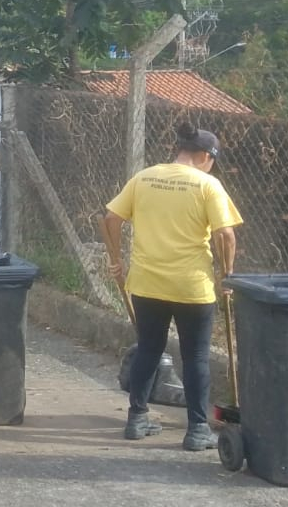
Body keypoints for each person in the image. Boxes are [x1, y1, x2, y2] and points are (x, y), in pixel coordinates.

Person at [102, 123, 243, 451]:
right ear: (205, 156)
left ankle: (137, 419)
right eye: (213, 161)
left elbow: (110, 218)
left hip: (147, 283)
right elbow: (225, 234)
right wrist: (227, 275)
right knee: (196, 356)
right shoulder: (207, 185)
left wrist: (115, 259)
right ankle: (197, 430)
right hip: (191, 287)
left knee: (149, 348)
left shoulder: (144, 178)